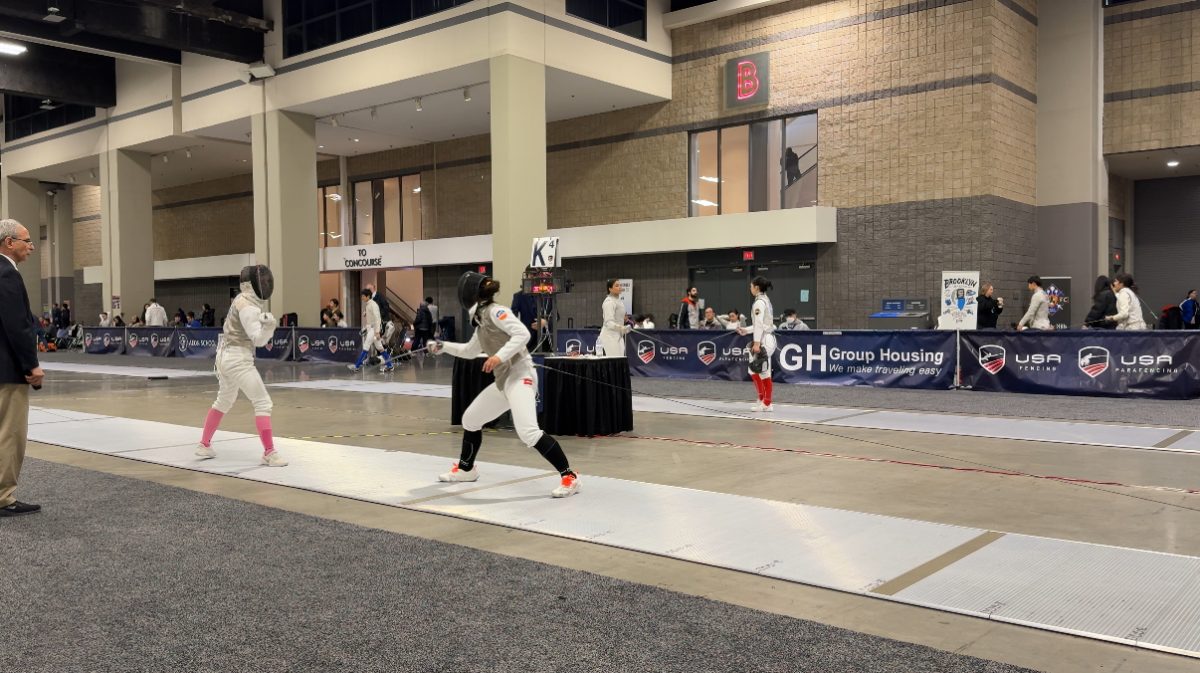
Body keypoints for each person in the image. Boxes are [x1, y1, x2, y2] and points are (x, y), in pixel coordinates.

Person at [429, 272, 580, 498]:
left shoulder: (496, 311)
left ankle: (569, 476)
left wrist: (499, 357)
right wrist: (444, 347)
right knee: (470, 419)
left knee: (528, 432)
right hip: (504, 381)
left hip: (520, 376)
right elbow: (469, 351)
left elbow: (522, 334)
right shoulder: (481, 322)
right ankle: (466, 469)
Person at [195, 265, 288, 467]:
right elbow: (258, 339)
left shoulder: (240, 299)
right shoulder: (249, 306)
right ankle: (269, 453)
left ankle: (204, 444)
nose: (266, 284)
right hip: (237, 359)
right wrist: (270, 327)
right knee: (263, 403)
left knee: (224, 400)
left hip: (224, 356)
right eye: (262, 281)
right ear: (252, 285)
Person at [0, 219, 44, 517]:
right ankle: (4, 497)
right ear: (8, 242)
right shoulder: (7, 275)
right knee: (10, 433)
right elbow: (17, 326)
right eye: (26, 240)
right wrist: (32, 365)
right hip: (8, 370)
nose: (31, 246)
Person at [738, 276, 776, 412]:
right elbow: (760, 324)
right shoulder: (765, 300)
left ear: (757, 288)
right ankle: (762, 399)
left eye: (751, 286)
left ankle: (767, 403)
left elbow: (760, 325)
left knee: (763, 371)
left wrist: (757, 343)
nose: (750, 288)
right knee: (753, 370)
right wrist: (746, 330)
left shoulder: (759, 302)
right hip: (766, 337)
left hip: (764, 339)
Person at [349, 288, 395, 372]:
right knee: (380, 348)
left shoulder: (373, 305)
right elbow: (371, 318)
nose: (362, 297)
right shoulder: (368, 304)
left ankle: (357, 366)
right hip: (371, 329)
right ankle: (390, 365)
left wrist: (377, 332)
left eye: (363, 296)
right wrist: (366, 316)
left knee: (366, 346)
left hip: (374, 330)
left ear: (368, 296)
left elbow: (378, 319)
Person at [598, 278, 630, 356]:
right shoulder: (609, 302)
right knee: (615, 361)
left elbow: (618, 318)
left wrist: (624, 320)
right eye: (616, 285)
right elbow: (608, 322)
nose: (619, 287)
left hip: (618, 335)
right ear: (610, 289)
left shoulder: (619, 302)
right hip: (609, 336)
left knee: (620, 360)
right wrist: (622, 328)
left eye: (620, 285)